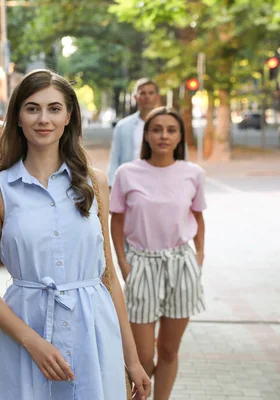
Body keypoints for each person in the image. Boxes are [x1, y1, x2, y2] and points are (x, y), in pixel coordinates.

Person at [0, 69, 150, 399]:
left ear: (68, 116)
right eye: (32, 108)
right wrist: (31, 341)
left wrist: (133, 359)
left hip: (92, 333)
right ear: (18, 118)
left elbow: (107, 275)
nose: (43, 119)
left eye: (54, 108)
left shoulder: (95, 183)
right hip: (22, 334)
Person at [109, 106, 206, 400]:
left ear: (180, 137)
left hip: (181, 265)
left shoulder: (193, 173)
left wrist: (198, 260)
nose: (164, 135)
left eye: (171, 130)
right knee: (141, 356)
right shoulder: (127, 173)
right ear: (147, 135)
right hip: (141, 266)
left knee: (168, 350)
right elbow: (116, 220)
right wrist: (124, 263)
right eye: (157, 129)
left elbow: (198, 219)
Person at [107, 78, 160, 185]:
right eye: (143, 93)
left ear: (157, 97)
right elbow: (115, 157)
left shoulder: (169, 125)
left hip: (160, 181)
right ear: (135, 97)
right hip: (131, 183)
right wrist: (111, 184)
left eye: (151, 93)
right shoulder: (123, 126)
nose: (147, 97)